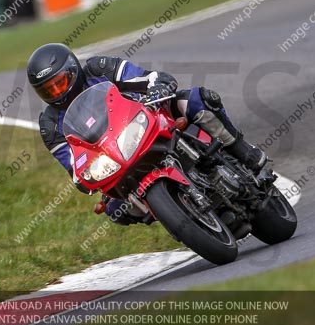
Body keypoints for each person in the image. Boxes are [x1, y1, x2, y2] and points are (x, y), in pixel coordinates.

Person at [27, 43, 268, 225]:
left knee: (196, 100)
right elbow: (73, 166)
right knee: (114, 210)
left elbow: (144, 77)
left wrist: (156, 87)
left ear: (73, 70)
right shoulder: (50, 125)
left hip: (149, 119)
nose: (57, 93)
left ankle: (243, 151)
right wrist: (82, 177)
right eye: (48, 90)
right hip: (115, 156)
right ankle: (177, 216)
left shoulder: (98, 69)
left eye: (60, 83)